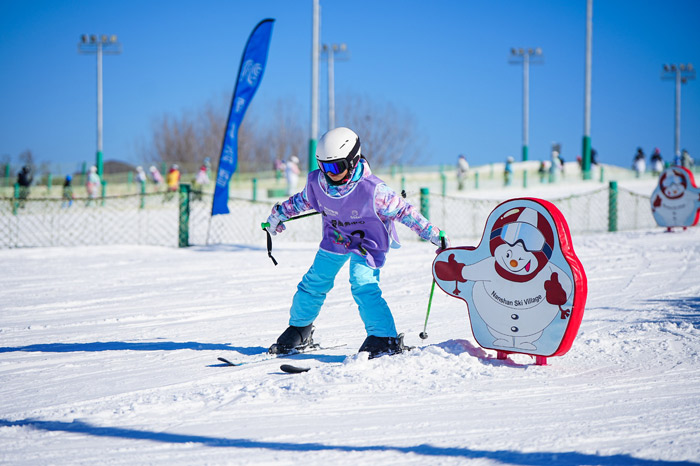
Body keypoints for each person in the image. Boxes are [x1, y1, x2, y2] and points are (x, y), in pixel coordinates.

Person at [264, 127, 450, 358]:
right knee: (314, 282)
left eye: (336, 166)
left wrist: (434, 235)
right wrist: (278, 215)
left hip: (367, 244)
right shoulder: (317, 183)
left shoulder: (374, 191)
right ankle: (300, 328)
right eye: (324, 166)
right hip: (335, 239)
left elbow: (406, 213)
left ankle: (384, 337)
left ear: (353, 160)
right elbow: (300, 202)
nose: (329, 173)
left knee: (362, 284)